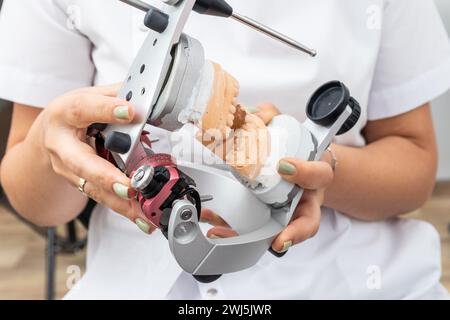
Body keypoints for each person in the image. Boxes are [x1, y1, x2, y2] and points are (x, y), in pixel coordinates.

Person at [0, 0, 450, 299]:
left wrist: (318, 168)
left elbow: (412, 160)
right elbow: (31, 192)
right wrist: (49, 146)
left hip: (345, 279)